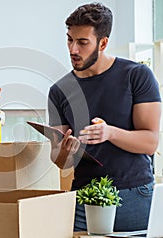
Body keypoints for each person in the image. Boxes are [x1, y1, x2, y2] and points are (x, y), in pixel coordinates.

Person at [48, 2, 161, 232]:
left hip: (133, 194)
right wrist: (65, 152)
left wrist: (109, 133)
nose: (73, 49)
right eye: (70, 39)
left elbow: (150, 142)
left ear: (103, 43)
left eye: (82, 42)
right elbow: (60, 161)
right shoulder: (59, 90)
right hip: (83, 196)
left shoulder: (137, 76)